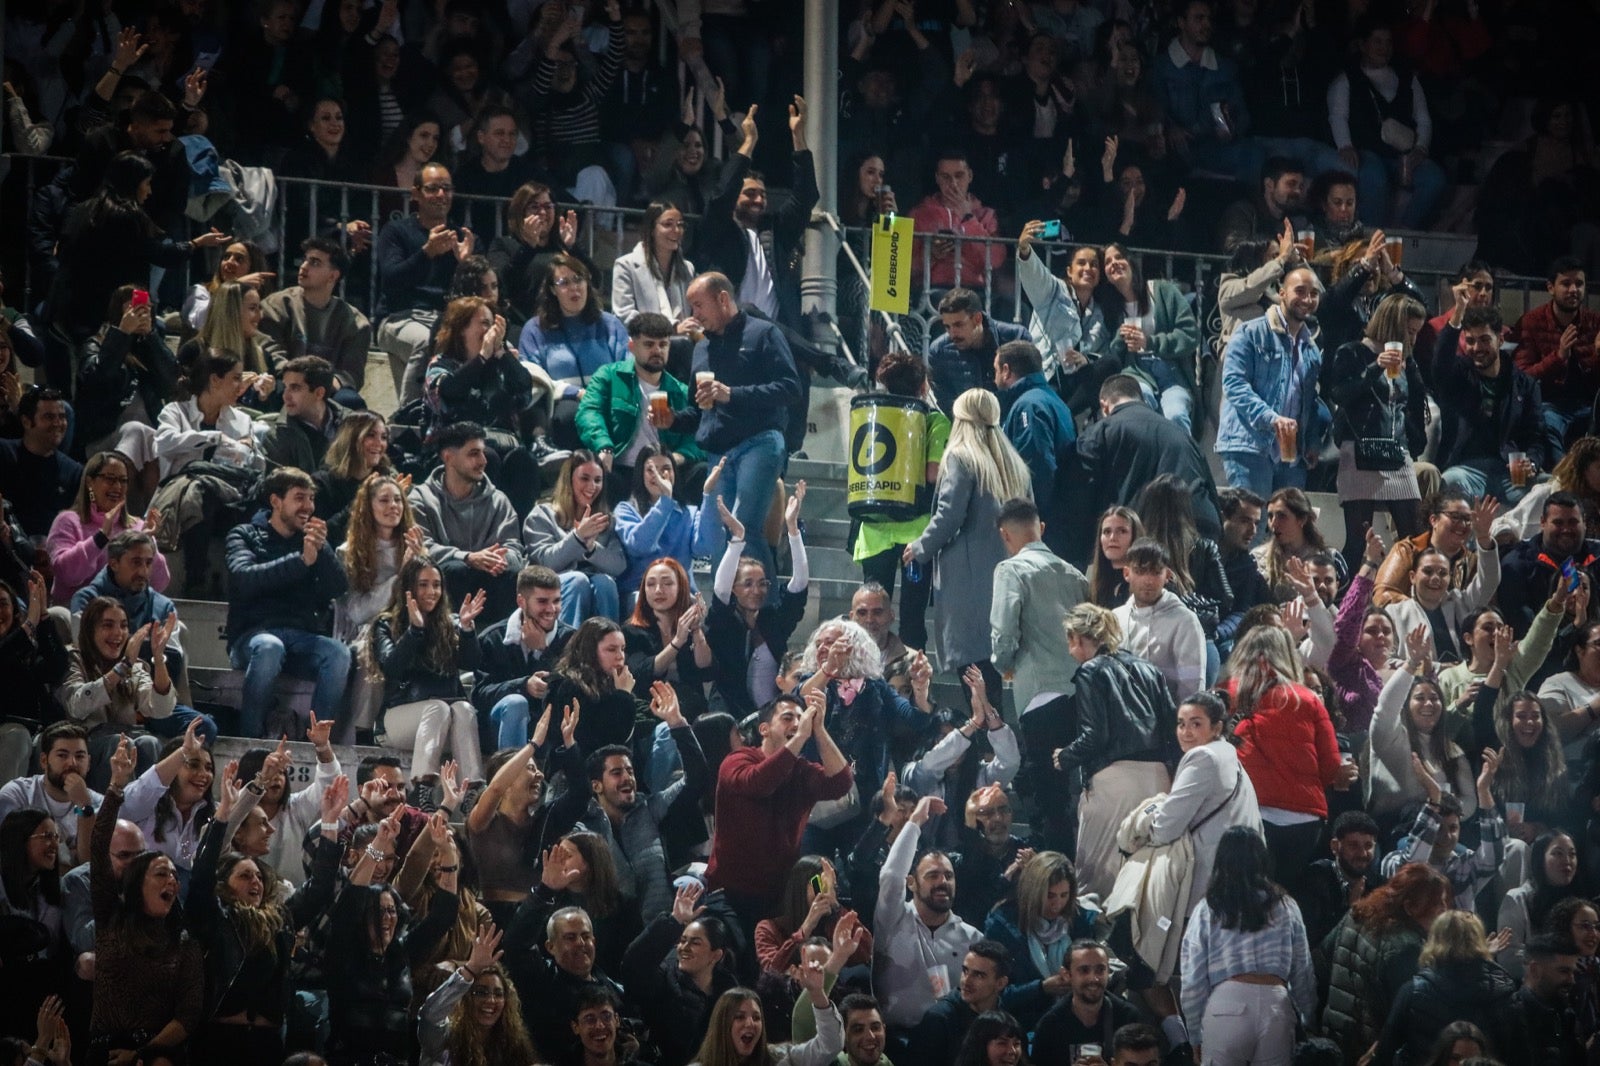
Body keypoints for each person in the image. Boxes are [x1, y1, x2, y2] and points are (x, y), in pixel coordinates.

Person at [184, 744, 342, 1066]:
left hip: (267, 1043)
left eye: (258, 876)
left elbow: (319, 889)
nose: (255, 882)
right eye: (244, 876)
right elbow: (202, 872)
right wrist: (223, 814)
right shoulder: (215, 916)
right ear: (224, 884)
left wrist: (329, 824)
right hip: (219, 1042)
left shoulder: (278, 919)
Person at [905, 389, 1031, 708]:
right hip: (1006, 576)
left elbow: (949, 515)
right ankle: (994, 733)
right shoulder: (1014, 464)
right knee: (991, 672)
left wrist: (919, 547)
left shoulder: (961, 457)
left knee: (974, 673)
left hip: (967, 583)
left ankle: (985, 735)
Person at [1041, 602, 1175, 898]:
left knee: (1096, 880)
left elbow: (1095, 736)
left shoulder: (1090, 671)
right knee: (1146, 881)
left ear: (1077, 638)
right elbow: (1172, 728)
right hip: (1159, 781)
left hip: (1114, 783)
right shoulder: (1150, 670)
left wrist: (1065, 756)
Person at [680, 270, 802, 582]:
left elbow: (790, 388)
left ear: (723, 299)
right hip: (718, 451)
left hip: (759, 441)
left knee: (743, 527)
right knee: (719, 536)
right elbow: (698, 410)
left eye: (698, 305)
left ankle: (766, 605)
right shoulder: (701, 348)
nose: (694, 314)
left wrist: (732, 394)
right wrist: (672, 420)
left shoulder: (763, 333)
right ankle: (727, 604)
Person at [88, 745, 205, 1066]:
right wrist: (116, 786)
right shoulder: (110, 916)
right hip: (101, 1052)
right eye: (161, 874)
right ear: (138, 881)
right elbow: (98, 847)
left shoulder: (184, 944)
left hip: (155, 1057)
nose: (172, 882)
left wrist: (140, 1054)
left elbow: (188, 1015)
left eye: (174, 876)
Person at [705, 691, 852, 934]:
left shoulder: (801, 770)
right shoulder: (738, 760)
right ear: (764, 729)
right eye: (787, 718)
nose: (797, 723)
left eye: (801, 718)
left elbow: (841, 783)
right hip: (730, 892)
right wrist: (801, 735)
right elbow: (760, 783)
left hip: (778, 893)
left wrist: (819, 730)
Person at [224, 467, 350, 739]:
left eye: (311, 499)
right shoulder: (244, 534)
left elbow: (338, 588)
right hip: (252, 636)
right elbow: (244, 577)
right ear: (276, 501)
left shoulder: (311, 539)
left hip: (301, 638)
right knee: (270, 647)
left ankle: (318, 741)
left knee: (338, 654)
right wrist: (301, 561)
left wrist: (323, 551)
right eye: (299, 498)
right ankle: (250, 740)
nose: (308, 507)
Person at [1224, 624, 1350, 888]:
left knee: (1248, 895)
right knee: (1282, 894)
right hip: (1305, 820)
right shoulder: (1309, 699)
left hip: (1251, 813)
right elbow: (1331, 765)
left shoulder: (1229, 694)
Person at [1180, 827, 1316, 1066]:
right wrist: (1308, 1016)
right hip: (1277, 1005)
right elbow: (1302, 969)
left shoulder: (1209, 908)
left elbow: (1193, 978)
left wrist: (1194, 1034)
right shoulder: (1286, 906)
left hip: (1226, 1006)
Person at [1325, 293, 1431, 566]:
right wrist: (1376, 367)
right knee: (1360, 540)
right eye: (1409, 331)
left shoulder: (1408, 361)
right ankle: (1348, 589)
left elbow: (1409, 406)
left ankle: (1407, 585)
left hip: (1396, 452)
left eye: (1416, 332)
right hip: (1359, 451)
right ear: (1393, 326)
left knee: (1415, 536)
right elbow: (1339, 394)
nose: (1413, 339)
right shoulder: (1352, 352)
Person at [852, 352, 948, 651]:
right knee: (912, 615)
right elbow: (933, 473)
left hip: (873, 528)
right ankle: (909, 674)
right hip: (915, 532)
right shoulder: (935, 420)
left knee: (870, 614)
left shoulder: (870, 413)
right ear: (923, 387)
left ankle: (866, 667)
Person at [1072, 374, 1222, 560]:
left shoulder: (1101, 431)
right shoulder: (1182, 434)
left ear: (1104, 406)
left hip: (1148, 539)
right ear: (1142, 399)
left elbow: (1080, 490)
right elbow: (1209, 485)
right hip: (1200, 528)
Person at [153, 352, 268, 593]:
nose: (241, 385)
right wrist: (213, 438)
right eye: (235, 378)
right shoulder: (175, 412)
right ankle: (195, 580)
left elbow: (255, 468)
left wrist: (250, 450)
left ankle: (249, 581)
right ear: (215, 380)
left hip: (228, 498)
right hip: (181, 500)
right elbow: (163, 443)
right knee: (202, 492)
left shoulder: (241, 420)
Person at [703, 463, 810, 720]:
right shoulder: (723, 620)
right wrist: (737, 541)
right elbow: (720, 591)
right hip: (728, 712)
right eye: (748, 583)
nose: (757, 590)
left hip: (771, 716)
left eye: (762, 583)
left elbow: (799, 584)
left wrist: (793, 531)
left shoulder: (774, 619)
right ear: (735, 588)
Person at [60, 598, 203, 789]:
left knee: (149, 743)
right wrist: (122, 667)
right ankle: (115, 805)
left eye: (123, 626)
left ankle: (154, 807)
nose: (118, 633)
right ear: (90, 630)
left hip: (125, 737)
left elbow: (160, 709)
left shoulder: (134, 666)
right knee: (120, 745)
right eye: (108, 625)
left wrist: (158, 658)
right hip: (86, 746)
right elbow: (78, 706)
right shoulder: (73, 658)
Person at [370, 556, 486, 784]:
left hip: (445, 721)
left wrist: (466, 629)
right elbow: (391, 667)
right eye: (423, 585)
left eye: (436, 585)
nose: (432, 592)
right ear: (408, 588)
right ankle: (422, 787)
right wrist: (414, 631)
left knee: (463, 708)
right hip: (398, 720)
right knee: (438, 708)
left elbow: (471, 663)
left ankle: (472, 788)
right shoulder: (386, 624)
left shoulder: (450, 624)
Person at [873, 793, 983, 1029]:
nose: (942, 882)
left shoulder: (973, 939)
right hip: (896, 1037)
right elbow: (891, 876)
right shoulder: (893, 920)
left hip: (950, 1041)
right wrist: (915, 821)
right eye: (932, 875)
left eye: (949, 876)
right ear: (911, 883)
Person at [1322, 863, 1452, 1062]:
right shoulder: (1406, 948)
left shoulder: (1356, 914)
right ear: (1409, 907)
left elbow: (1321, 960)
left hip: (1335, 1039)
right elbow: (1407, 1016)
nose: (1444, 911)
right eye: (1437, 904)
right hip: (1369, 1050)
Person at [1327, 17, 1449, 229]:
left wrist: (1420, 149)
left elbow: (1423, 119)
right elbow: (1338, 116)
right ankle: (1372, 235)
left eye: (1388, 42)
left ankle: (1403, 231)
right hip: (1367, 153)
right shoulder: (1347, 79)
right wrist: (1345, 146)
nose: (1384, 48)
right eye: (1377, 42)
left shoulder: (1407, 78)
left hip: (1402, 156)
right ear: (1363, 45)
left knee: (1434, 178)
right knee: (1374, 177)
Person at [1218, 266, 1327, 500]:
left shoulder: (1311, 349)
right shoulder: (1250, 332)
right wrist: (1272, 419)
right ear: (1282, 293)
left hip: (1292, 456)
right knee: (1251, 522)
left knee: (1289, 523)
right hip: (1250, 446)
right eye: (1300, 291)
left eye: (1314, 293)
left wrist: (1311, 441)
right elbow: (1234, 384)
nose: (1307, 299)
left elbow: (1309, 402)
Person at [577, 311, 704, 500]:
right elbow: (589, 413)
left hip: (666, 471)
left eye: (663, 344)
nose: (657, 351)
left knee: (701, 470)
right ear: (632, 346)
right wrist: (604, 447)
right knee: (599, 475)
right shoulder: (609, 376)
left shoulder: (681, 391)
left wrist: (678, 456)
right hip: (622, 469)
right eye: (649, 344)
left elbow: (699, 436)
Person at [375, 161, 472, 404]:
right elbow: (391, 279)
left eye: (446, 188)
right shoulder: (396, 231)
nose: (441, 195)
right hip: (399, 318)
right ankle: (409, 417)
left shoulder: (462, 237)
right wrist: (426, 253)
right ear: (415, 194)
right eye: (432, 188)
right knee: (426, 340)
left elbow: (477, 293)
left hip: (446, 320)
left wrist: (465, 264)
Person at [409, 421, 525, 621]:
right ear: (448, 457)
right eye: (474, 454)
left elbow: (514, 547)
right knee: (455, 569)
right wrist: (467, 557)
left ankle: (503, 636)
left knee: (512, 571)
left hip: (490, 584)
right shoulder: (420, 499)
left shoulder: (498, 500)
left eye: (483, 453)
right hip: (444, 585)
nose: (483, 461)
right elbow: (421, 548)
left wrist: (497, 558)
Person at [1432, 304, 1546, 505]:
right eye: (1470, 341)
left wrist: (1532, 462)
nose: (1477, 348)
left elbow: (1536, 436)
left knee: (1549, 487)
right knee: (1450, 482)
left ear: (1500, 339)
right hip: (1465, 469)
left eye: (1484, 340)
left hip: (1509, 473)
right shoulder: (1458, 373)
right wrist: (1457, 316)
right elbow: (1440, 362)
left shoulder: (1524, 384)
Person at [74, 286, 180, 500]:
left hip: (147, 440)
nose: (141, 314)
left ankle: (149, 516)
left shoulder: (148, 346)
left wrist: (151, 337)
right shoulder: (95, 345)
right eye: (135, 308)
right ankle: (120, 513)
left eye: (147, 309)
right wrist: (121, 333)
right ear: (118, 312)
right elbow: (98, 381)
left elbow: (171, 383)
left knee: (152, 438)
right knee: (136, 430)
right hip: (104, 437)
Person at [1375, 911, 1519, 1066]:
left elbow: (1385, 1051)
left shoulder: (1413, 991)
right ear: (1479, 940)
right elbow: (1519, 1053)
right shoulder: (1503, 991)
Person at [517, 254, 629, 450]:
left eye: (578, 279)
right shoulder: (535, 330)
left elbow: (626, 366)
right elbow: (534, 377)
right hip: (563, 402)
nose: (574, 288)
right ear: (553, 290)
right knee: (569, 415)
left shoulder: (610, 324)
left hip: (607, 397)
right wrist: (574, 393)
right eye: (564, 282)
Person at [990, 497, 1087, 716]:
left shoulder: (1010, 570)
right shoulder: (1077, 576)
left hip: (1038, 690)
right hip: (1080, 692)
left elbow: (1004, 632)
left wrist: (1004, 666)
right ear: (1041, 528)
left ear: (1004, 534)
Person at [48, 452, 169, 608]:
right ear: (90, 482)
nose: (117, 486)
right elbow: (67, 575)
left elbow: (159, 584)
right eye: (110, 479)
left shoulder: (138, 527)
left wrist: (148, 543)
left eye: (123, 480)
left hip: (126, 614)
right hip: (78, 611)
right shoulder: (68, 521)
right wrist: (100, 538)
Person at [472, 564, 573, 751]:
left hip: (551, 730)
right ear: (521, 601)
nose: (551, 609)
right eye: (542, 601)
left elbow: (570, 694)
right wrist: (524, 686)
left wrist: (544, 651)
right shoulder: (493, 638)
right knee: (516, 703)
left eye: (557, 601)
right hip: (499, 725)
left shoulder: (571, 639)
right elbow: (480, 695)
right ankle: (514, 767)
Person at [258, 237, 371, 404]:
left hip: (327, 387)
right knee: (278, 391)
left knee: (350, 401)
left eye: (315, 263)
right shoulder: (277, 305)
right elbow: (271, 354)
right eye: (305, 260)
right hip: (285, 380)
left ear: (333, 276)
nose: (304, 266)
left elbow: (352, 372)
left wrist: (327, 384)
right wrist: (300, 382)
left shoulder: (355, 322)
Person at [992, 340, 1075, 556]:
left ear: (1006, 370)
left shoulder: (1027, 406)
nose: (994, 378)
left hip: (1039, 530)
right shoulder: (1053, 400)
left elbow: (1035, 468)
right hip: (1058, 522)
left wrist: (1026, 522)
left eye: (996, 370)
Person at [416, 923, 541, 1066]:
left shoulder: (511, 1043)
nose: (491, 1000)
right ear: (465, 997)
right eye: (481, 992)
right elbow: (430, 1016)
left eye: (498, 994)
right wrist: (471, 969)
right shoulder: (444, 1037)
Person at [1511, 258, 1600, 458]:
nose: (1574, 290)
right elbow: (1522, 377)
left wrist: (1598, 354)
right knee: (1548, 425)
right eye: (1566, 284)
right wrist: (1558, 357)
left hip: (1589, 403)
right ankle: (1562, 475)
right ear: (1551, 288)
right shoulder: (1532, 322)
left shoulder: (1595, 322)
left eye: (1579, 284)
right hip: (1550, 403)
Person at [1112, 540, 1208, 705]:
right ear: (1127, 573)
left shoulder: (1185, 621)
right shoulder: (1115, 617)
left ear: (1167, 575)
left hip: (1166, 716)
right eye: (1140, 571)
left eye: (1156, 572)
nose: (1148, 580)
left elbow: (1192, 684)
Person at [686, 971, 844, 1066]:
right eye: (740, 1017)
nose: (750, 1023)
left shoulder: (782, 1058)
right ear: (722, 1024)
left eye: (756, 1017)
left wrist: (817, 993)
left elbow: (830, 1046)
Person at [0, 721, 101, 869]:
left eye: (80, 756)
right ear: (44, 761)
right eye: (62, 755)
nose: (72, 763)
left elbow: (89, 868)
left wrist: (84, 806)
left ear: (89, 763)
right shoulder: (17, 795)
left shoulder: (99, 803)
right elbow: (11, 859)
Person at [909, 149, 1007, 294]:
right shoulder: (919, 214)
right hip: (932, 291)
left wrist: (968, 218)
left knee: (1014, 306)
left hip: (976, 292)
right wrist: (929, 256)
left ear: (970, 176)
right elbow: (902, 268)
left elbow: (996, 260)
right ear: (937, 178)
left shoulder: (986, 215)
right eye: (946, 177)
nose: (953, 184)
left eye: (959, 176)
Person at [1030, 942, 1146, 1063]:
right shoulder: (1050, 1026)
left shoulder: (1128, 1018)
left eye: (1100, 970)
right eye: (1084, 970)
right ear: (1067, 975)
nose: (1094, 978)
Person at [1374, 490, 1487, 609]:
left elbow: (1486, 606)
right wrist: (1423, 611)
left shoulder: (1472, 562)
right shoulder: (1407, 551)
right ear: (1434, 520)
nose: (1462, 524)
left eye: (1467, 519)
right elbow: (1382, 596)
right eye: (1455, 517)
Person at [926, 289, 1032, 416]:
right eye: (947, 327)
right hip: (968, 423)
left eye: (959, 325)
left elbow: (1029, 389)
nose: (952, 333)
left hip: (1012, 420)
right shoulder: (939, 352)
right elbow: (945, 402)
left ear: (977, 319)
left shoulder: (1017, 338)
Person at [1497, 832, 1582, 978]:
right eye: (1558, 853)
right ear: (1540, 859)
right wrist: (1553, 969)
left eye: (1572, 854)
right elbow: (1508, 957)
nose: (1567, 860)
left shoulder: (1580, 902)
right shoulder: (1517, 899)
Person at [1300, 810, 1387, 951]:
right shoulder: (1314, 879)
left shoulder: (1380, 886)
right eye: (1353, 845)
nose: (1362, 853)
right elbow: (1313, 943)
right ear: (1335, 846)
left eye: (1368, 846)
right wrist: (1351, 911)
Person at [0, 388, 80, 539]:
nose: (57, 423)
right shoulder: (4, 454)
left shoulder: (74, 472)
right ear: (26, 422)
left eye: (62, 417)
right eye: (49, 417)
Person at [314, 413, 397, 546]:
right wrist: (360, 500)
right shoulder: (322, 483)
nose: (379, 443)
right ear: (351, 438)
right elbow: (323, 536)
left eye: (383, 437)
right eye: (371, 435)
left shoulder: (388, 479)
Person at [612, 201, 698, 330]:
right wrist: (672, 328)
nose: (676, 230)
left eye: (680, 225)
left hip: (684, 341)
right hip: (644, 341)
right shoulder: (625, 265)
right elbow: (624, 315)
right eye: (668, 224)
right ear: (651, 229)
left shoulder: (688, 267)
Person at [260, 356, 348, 474]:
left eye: (295, 388)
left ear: (319, 393)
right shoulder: (276, 435)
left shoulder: (353, 424)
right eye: (285, 387)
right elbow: (282, 482)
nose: (285, 396)